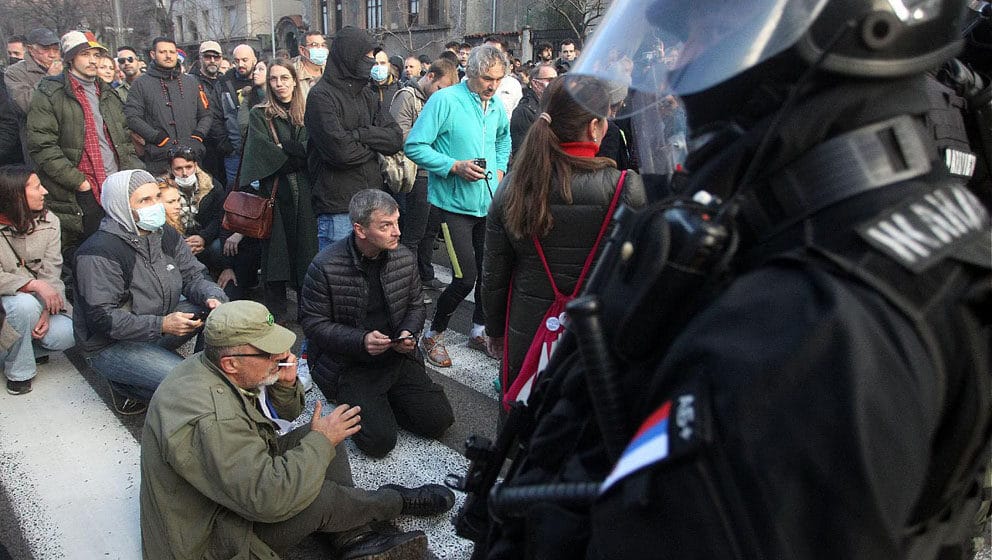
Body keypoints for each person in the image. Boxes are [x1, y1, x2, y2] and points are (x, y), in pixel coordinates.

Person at [481, 0, 992, 558]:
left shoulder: (804, 323)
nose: (679, 68)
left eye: (714, 30)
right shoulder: (850, 214)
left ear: (856, 28)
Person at [140, 299, 457, 560]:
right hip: (210, 540)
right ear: (231, 363)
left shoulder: (211, 363)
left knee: (322, 438)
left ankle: (352, 538)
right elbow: (269, 498)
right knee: (321, 491)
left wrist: (285, 385)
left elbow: (278, 417)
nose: (281, 357)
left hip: (225, 496)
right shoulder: (212, 418)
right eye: (267, 353)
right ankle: (393, 503)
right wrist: (320, 442)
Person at [483, 75, 646, 402]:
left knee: (524, 413)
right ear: (596, 127)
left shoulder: (514, 186)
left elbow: (494, 276)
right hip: (598, 331)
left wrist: (495, 331)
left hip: (528, 327)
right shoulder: (626, 187)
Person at [300, 189, 454, 457]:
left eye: (396, 222)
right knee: (379, 442)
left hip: (395, 357)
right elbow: (313, 324)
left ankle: (383, 403)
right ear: (360, 230)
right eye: (386, 225)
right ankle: (367, 403)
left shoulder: (403, 257)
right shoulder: (325, 265)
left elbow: (416, 305)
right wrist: (360, 341)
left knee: (438, 421)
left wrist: (408, 333)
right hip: (350, 365)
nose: (397, 231)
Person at [73, 169, 227, 414]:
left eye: (156, 197)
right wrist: (162, 325)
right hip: (111, 344)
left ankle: (204, 372)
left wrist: (214, 297)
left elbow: (194, 275)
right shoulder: (99, 252)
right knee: (189, 388)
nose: (155, 205)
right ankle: (126, 385)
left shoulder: (164, 233)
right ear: (121, 206)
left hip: (156, 323)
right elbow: (103, 319)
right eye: (144, 200)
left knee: (218, 312)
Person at [405, 45, 511, 367]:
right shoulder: (445, 100)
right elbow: (413, 145)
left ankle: (478, 330)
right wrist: (453, 166)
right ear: (470, 73)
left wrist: (501, 168)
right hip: (452, 207)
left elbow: (504, 138)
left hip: (487, 206)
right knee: (465, 278)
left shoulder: (496, 106)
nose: (492, 85)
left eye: (498, 79)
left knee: (488, 276)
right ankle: (432, 334)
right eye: (486, 78)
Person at [26, 30, 143, 261]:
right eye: (85, 54)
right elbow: (41, 145)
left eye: (97, 55)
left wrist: (129, 176)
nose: (93, 60)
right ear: (70, 58)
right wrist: (79, 182)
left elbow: (121, 139)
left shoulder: (106, 91)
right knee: (87, 252)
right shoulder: (50, 92)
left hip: (113, 183)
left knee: (121, 249)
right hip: (80, 188)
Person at [305, 26, 402, 250]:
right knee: (341, 278)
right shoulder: (321, 97)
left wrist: (360, 134)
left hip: (374, 204)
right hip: (339, 208)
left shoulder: (367, 94)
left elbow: (395, 138)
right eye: (366, 56)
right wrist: (375, 145)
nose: (371, 62)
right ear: (349, 56)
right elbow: (341, 153)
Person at [240, 59, 318, 321]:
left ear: (295, 80)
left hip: (304, 194)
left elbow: (314, 150)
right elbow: (261, 154)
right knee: (276, 253)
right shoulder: (259, 114)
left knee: (306, 249)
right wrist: (295, 155)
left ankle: (308, 312)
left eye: (285, 78)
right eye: (274, 79)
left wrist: (291, 151)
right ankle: (276, 314)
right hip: (275, 192)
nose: (279, 84)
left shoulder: (307, 113)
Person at [0, 166, 74, 395]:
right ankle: (19, 373)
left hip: (35, 303)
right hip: (8, 304)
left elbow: (53, 269)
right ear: (16, 194)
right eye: (36, 187)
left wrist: (46, 308)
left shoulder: (50, 221)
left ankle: (20, 350)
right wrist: (33, 285)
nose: (44, 192)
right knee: (23, 305)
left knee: (68, 332)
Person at [389, 58, 459, 291]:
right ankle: (408, 285)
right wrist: (429, 130)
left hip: (436, 172)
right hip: (416, 173)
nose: (442, 95)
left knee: (430, 230)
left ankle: (425, 274)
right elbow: (397, 135)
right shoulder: (407, 96)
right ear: (430, 77)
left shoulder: (437, 101)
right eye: (440, 88)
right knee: (413, 233)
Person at [124, 37, 212, 176]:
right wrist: (157, 138)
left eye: (172, 52)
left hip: (191, 155)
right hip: (160, 158)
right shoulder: (140, 84)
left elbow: (206, 115)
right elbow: (133, 117)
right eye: (163, 52)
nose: (168, 56)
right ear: (153, 54)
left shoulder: (191, 82)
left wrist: (197, 137)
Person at [4, 28, 62, 166]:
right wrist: (49, 79)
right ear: (31, 49)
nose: (52, 55)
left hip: (68, 142)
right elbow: (24, 104)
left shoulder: (65, 68)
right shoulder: (15, 72)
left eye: (55, 50)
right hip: (39, 146)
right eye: (46, 50)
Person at [160, 147, 224, 261]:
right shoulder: (163, 190)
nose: (184, 173)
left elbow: (219, 217)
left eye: (188, 167)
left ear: (195, 165)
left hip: (207, 238)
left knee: (218, 248)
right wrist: (183, 244)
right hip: (177, 242)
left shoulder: (213, 186)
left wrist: (204, 237)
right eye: (178, 169)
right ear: (171, 169)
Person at [189, 40, 238, 187]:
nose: (212, 61)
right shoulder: (190, 82)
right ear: (200, 58)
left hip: (225, 148)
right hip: (204, 146)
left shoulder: (226, 82)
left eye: (216, 57)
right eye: (207, 56)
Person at [510, 62, 557, 156]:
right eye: (550, 80)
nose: (555, 84)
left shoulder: (555, 105)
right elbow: (521, 150)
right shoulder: (524, 111)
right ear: (535, 83)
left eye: (556, 80)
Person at [482, 36, 522, 118]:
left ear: (504, 56)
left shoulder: (513, 85)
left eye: (494, 52)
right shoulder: (470, 80)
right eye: (485, 52)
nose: (489, 56)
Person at [293, 31, 327, 99]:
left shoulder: (331, 70)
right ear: (302, 50)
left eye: (323, 45)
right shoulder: (292, 72)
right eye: (314, 45)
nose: (320, 49)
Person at [371, 48, 400, 114]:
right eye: (375, 64)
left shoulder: (399, 89)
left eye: (382, 63)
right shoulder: (365, 89)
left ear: (389, 65)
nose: (379, 67)